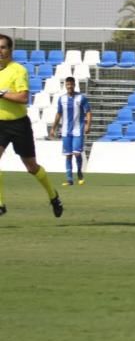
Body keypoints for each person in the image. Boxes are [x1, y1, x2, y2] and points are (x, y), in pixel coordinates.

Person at [0, 33, 63, 217]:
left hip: (19, 125)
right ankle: (1, 204)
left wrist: (2, 93)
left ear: (10, 50)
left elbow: (23, 97)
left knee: (31, 167)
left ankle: (53, 196)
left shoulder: (18, 70)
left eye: (4, 47)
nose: (0, 51)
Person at [49, 76, 92, 186]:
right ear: (65, 86)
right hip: (65, 132)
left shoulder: (81, 98)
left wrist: (88, 125)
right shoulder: (61, 99)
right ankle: (69, 179)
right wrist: (53, 128)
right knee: (68, 155)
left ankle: (79, 173)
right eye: (68, 85)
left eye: (71, 84)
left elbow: (88, 111)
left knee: (77, 153)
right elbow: (59, 114)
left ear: (74, 85)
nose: (69, 86)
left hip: (78, 130)